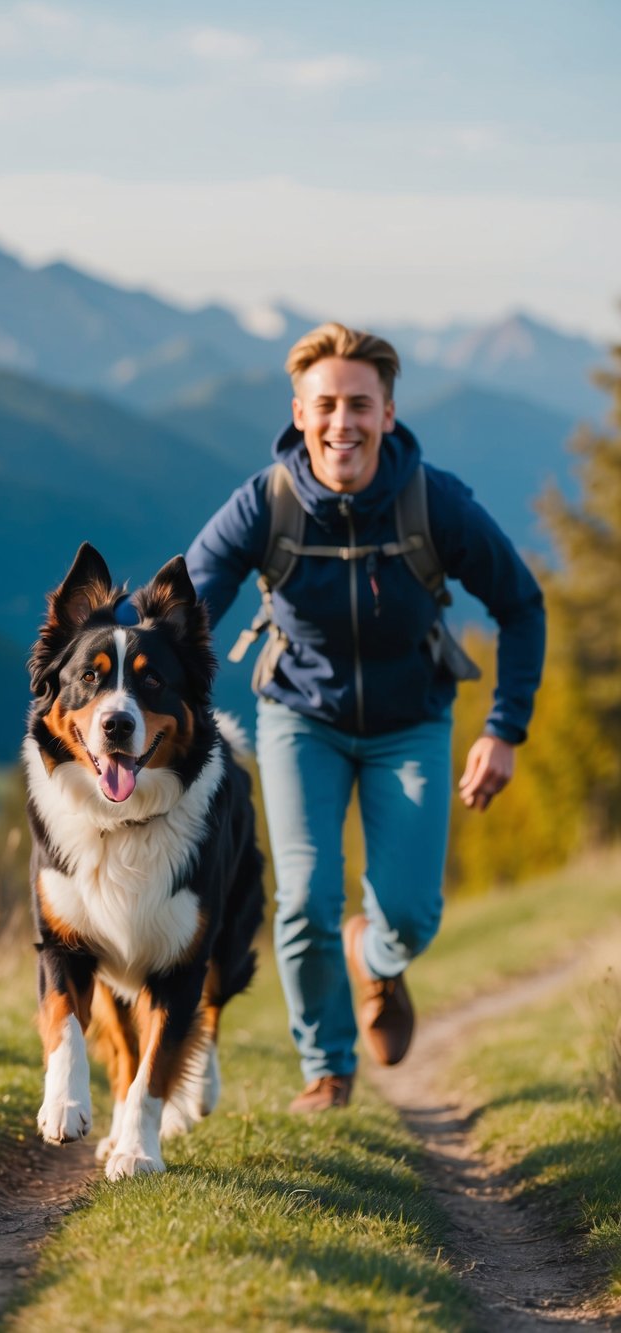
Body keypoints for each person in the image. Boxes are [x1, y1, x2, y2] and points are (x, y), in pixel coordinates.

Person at [185, 322, 545, 1112]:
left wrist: (504, 728)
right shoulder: (266, 502)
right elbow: (190, 602)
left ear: (388, 412)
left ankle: (377, 957)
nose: (341, 421)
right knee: (306, 896)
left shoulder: (432, 501)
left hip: (411, 719)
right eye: (326, 404)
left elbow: (520, 604)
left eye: (359, 404)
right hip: (299, 717)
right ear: (298, 411)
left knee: (411, 912)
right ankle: (327, 1071)